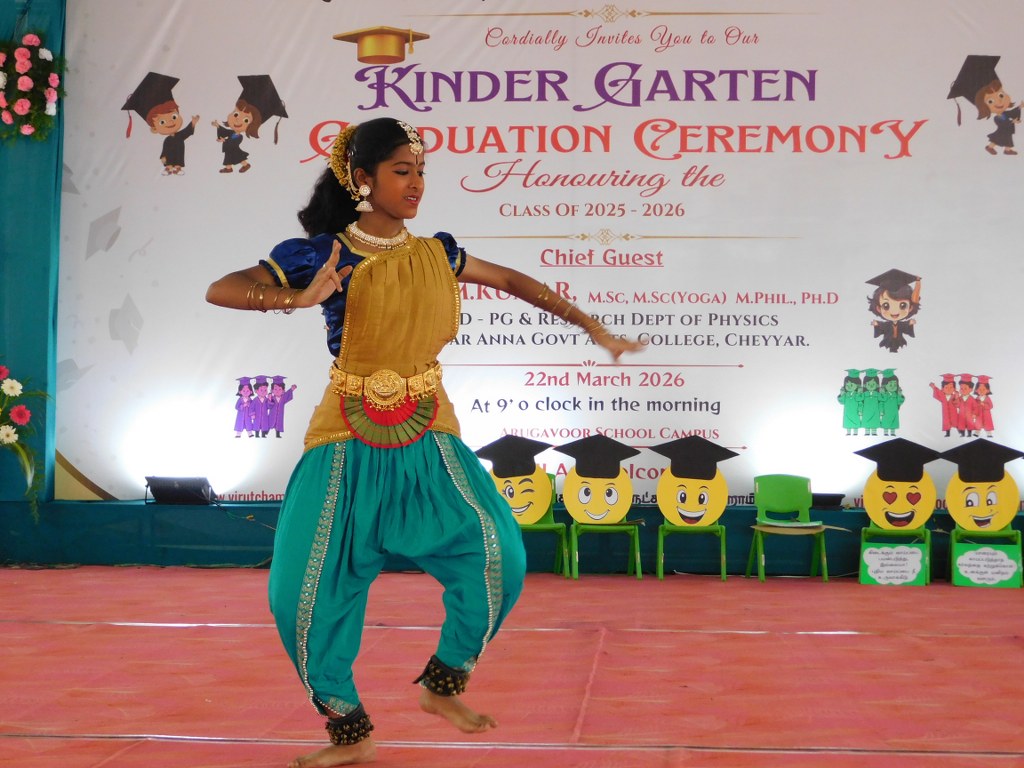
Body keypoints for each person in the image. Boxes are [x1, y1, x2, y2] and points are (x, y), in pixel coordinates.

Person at [205, 116, 644, 767]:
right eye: (401, 171)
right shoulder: (322, 253)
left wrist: (592, 327)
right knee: (301, 594)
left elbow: (512, 281)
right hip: (345, 435)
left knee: (499, 553)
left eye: (420, 172)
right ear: (362, 179)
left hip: (428, 431)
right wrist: (295, 299)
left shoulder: (439, 254)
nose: (416, 184)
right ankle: (348, 729)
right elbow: (221, 289)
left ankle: (444, 683)